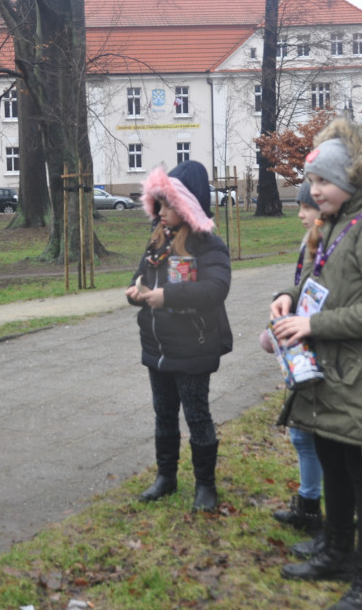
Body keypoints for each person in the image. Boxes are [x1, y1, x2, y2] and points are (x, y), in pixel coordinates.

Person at [271, 118, 362, 610]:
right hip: (328, 373)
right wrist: (286, 301)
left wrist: (314, 328)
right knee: (331, 458)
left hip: (361, 377)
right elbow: (311, 284)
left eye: (322, 182)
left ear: (351, 181)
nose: (313, 191)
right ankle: (336, 550)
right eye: (311, 181)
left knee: (361, 470)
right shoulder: (332, 230)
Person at [126, 161, 233, 512]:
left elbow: (215, 290)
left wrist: (167, 297)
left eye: (169, 205)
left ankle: (206, 486)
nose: (161, 211)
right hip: (157, 346)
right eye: (159, 203)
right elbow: (141, 275)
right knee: (164, 414)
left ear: (189, 207)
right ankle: (166, 477)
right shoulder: (159, 238)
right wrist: (135, 292)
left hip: (193, 347)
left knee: (197, 416)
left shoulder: (209, 245)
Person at [270, 182, 324, 539]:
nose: (301, 214)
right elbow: (304, 286)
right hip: (304, 349)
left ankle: (320, 514)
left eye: (306, 207)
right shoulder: (310, 244)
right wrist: (285, 298)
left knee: (316, 438)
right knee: (302, 436)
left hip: (322, 351)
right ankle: (308, 505)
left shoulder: (332, 247)